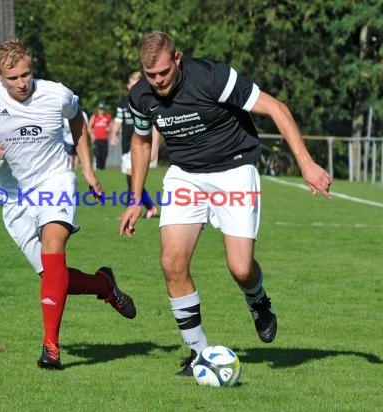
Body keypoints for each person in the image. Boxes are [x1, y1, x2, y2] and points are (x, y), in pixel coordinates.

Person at [119, 31, 333, 376]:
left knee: (240, 268)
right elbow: (142, 141)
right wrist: (135, 198)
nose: (158, 81)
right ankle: (198, 352)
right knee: (171, 262)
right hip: (185, 175)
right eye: (150, 74)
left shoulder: (211, 77)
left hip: (234, 168)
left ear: (177, 58)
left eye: (163, 72)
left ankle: (258, 300)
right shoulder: (140, 95)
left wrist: (306, 164)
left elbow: (276, 108)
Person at [0, 40, 136, 370]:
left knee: (54, 247)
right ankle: (103, 284)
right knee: (52, 275)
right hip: (14, 194)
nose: (22, 83)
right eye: (13, 78)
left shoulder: (55, 93)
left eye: (26, 74)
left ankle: (51, 347)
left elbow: (78, 120)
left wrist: (87, 168)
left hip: (56, 181)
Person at [110, 71, 159, 219]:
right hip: (126, 146)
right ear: (128, 85)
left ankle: (137, 209)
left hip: (142, 145)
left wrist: (154, 146)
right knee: (130, 179)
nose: (136, 85)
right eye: (133, 82)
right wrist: (113, 134)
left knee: (132, 177)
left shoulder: (147, 100)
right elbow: (118, 121)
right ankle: (148, 207)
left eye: (138, 82)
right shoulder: (123, 103)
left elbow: (156, 126)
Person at [87, 103, 112, 170]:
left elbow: (112, 125)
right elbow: (89, 127)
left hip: (105, 139)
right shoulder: (94, 116)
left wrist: (109, 128)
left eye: (103, 109)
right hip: (97, 139)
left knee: (104, 154)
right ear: (98, 110)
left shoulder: (108, 117)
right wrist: (92, 136)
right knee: (97, 154)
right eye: (100, 109)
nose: (101, 111)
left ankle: (102, 168)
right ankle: (98, 168)